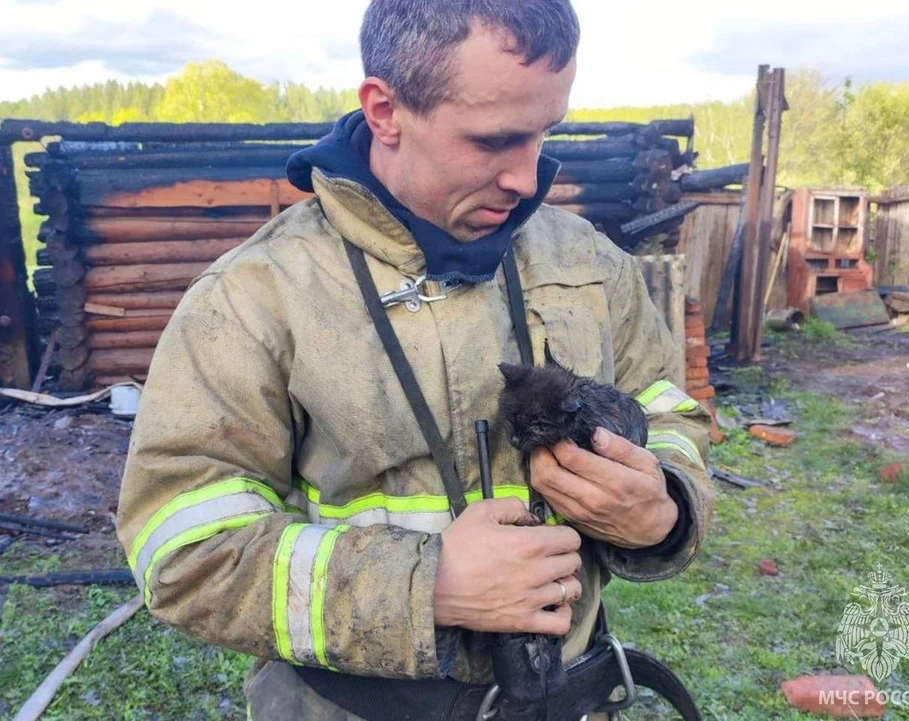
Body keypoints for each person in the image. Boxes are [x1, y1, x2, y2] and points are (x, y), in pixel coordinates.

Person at [116, 1, 715, 719]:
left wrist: (664, 508)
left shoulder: (589, 265)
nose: (528, 178)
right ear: (386, 110)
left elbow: (670, 414)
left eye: (543, 133)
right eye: (494, 140)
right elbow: (183, 553)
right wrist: (424, 585)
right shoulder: (252, 298)